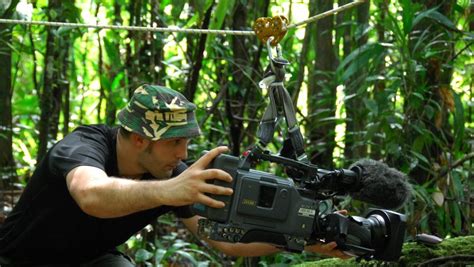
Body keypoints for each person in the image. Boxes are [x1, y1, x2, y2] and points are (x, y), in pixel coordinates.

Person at [0, 84, 349, 266]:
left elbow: (225, 242)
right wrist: (170, 191)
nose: (184, 155)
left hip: (92, 260)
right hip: (20, 259)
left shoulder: (172, 173)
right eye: (176, 142)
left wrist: (303, 242)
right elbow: (92, 195)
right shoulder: (82, 147)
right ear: (140, 139)